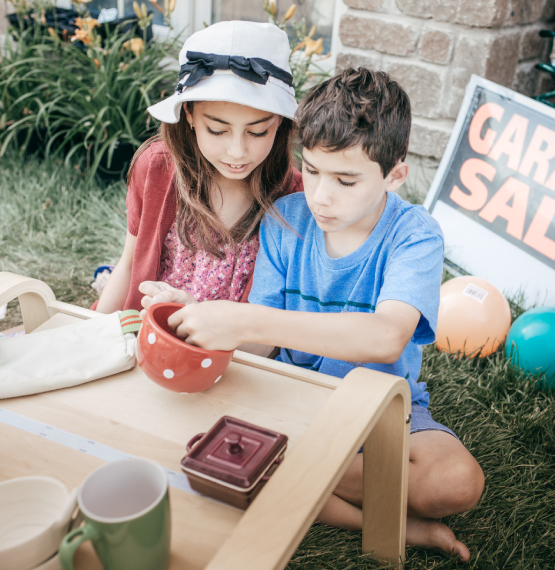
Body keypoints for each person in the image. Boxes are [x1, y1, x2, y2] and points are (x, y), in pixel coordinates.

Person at [145, 67, 485, 561]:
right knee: (211, 437)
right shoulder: (285, 221)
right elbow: (261, 346)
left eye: (346, 179)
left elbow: (387, 336)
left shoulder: (415, 234)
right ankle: (396, 525)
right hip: (295, 404)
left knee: (456, 483)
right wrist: (206, 316)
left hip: (385, 413)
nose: (322, 195)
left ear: (394, 174)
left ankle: (281, 471)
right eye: (314, 171)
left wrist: (244, 320)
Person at [94, 20, 302, 316]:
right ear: (189, 114)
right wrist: (92, 333)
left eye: (257, 132)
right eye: (217, 130)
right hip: (144, 336)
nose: (237, 152)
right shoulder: (156, 168)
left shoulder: (298, 199)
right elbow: (128, 264)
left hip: (233, 355)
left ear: (280, 121)